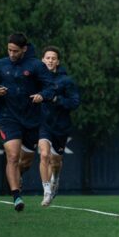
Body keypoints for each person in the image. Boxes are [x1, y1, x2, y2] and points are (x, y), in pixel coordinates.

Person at [0, 33, 55, 212]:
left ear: (24, 49)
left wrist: (42, 96)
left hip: (31, 119)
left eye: (15, 51)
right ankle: (17, 196)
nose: (12, 54)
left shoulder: (36, 66)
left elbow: (50, 87)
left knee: (26, 161)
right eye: (9, 50)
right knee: (13, 156)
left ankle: (18, 175)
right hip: (8, 117)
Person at [38, 46, 80, 207]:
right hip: (43, 124)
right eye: (47, 58)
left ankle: (56, 178)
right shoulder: (37, 80)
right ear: (43, 60)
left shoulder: (66, 81)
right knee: (44, 155)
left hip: (60, 126)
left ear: (58, 62)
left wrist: (57, 100)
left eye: (53, 58)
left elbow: (75, 102)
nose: (50, 60)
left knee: (55, 162)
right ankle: (46, 192)